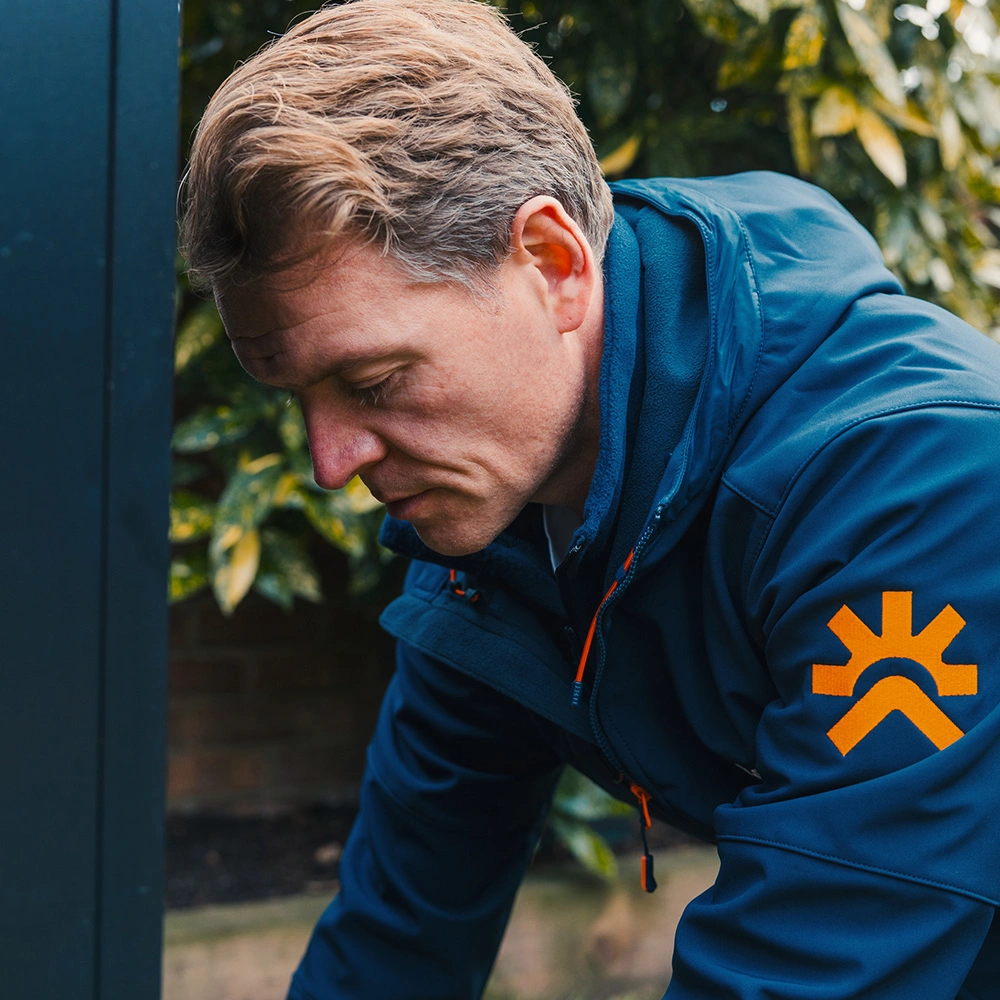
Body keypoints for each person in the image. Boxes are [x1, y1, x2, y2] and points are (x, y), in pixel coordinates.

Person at [181, 1, 1000, 996]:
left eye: (376, 380)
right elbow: (396, 936)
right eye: (297, 395)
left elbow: (815, 960)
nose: (331, 460)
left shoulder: (918, 486)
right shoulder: (497, 522)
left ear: (553, 264)